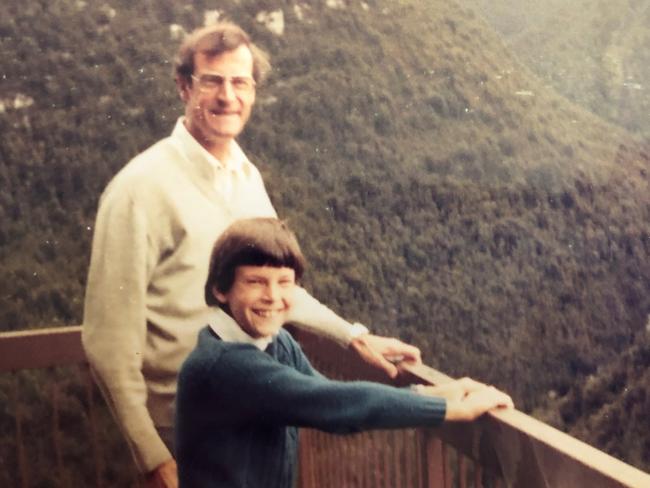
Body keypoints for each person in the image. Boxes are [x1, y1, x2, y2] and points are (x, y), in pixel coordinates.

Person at [82, 21, 422, 488]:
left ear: (254, 92)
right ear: (184, 87)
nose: (228, 96)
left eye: (240, 82)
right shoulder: (139, 189)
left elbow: (275, 286)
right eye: (212, 81)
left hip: (253, 419)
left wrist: (353, 336)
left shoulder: (245, 176)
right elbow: (109, 342)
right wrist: (153, 456)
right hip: (182, 431)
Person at [175, 217, 514, 488]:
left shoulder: (275, 343)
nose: (273, 296)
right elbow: (337, 405)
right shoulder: (223, 366)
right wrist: (450, 409)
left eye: (284, 282)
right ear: (220, 289)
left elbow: (325, 393)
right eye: (255, 282)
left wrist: (438, 392)